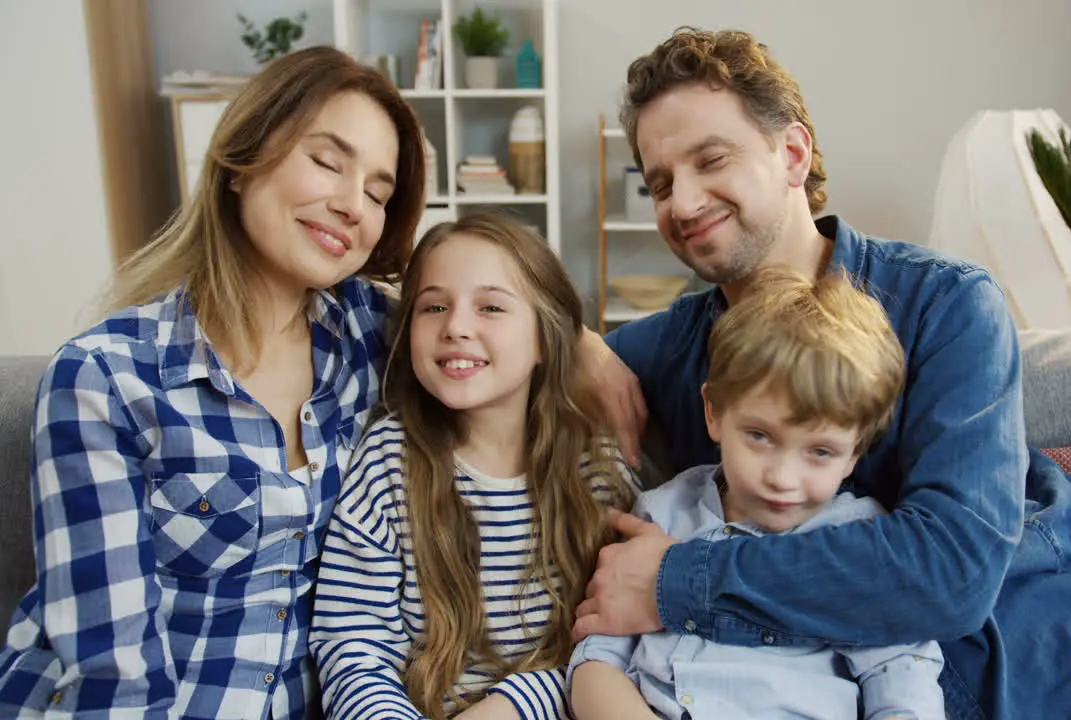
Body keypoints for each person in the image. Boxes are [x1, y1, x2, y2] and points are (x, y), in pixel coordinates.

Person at [569, 27, 1071, 719]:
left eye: (711, 160)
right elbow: (493, 324)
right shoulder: (672, 347)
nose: (684, 202)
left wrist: (678, 579)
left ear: (792, 154)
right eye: (662, 182)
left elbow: (953, 572)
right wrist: (575, 340)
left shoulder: (945, 303)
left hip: (1067, 655)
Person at [0, 46, 426, 719]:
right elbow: (115, 683)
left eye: (378, 192)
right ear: (240, 160)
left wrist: (589, 351)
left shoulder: (372, 339)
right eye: (326, 161)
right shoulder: (106, 379)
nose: (352, 205)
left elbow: (498, 306)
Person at [569, 265, 946, 720]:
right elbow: (595, 661)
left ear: (855, 453)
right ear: (714, 412)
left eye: (821, 451)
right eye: (760, 437)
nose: (783, 478)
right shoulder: (664, 510)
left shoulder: (863, 541)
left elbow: (904, 688)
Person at [307, 211, 638, 720]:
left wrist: (513, 706)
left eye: (491, 307)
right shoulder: (387, 463)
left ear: (545, 338)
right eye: (434, 306)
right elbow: (353, 647)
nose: (456, 327)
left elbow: (621, 643)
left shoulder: (595, 468)